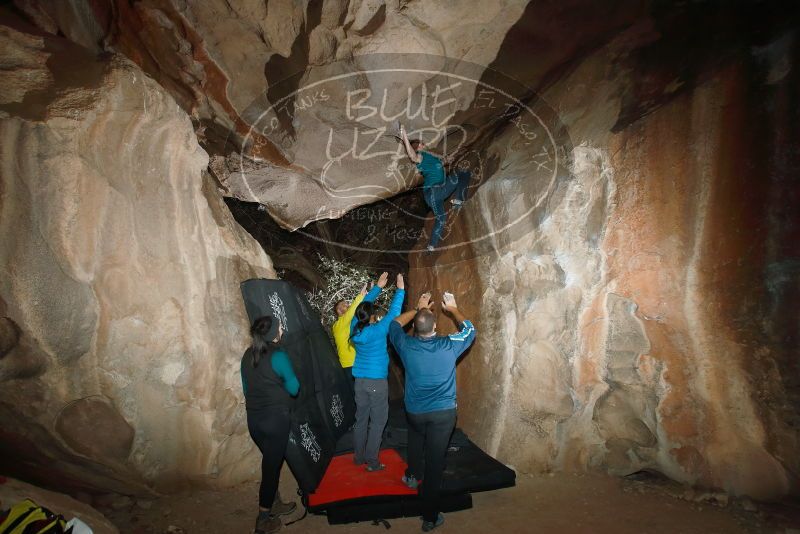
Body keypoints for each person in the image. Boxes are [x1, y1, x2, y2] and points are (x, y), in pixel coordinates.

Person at [388, 291, 476, 532]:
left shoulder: (405, 345)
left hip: (415, 412)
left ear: (415, 328)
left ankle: (411, 475)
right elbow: (470, 330)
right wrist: (454, 308)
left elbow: (394, 324)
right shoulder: (449, 345)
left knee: (415, 438)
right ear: (435, 326)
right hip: (442, 415)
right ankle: (429, 516)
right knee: (435, 463)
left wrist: (417, 309)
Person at [241, 316, 300, 534]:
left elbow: (246, 388)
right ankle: (263, 518)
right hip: (275, 420)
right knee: (270, 468)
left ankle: (275, 503)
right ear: (274, 332)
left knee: (271, 462)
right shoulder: (279, 356)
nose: (282, 328)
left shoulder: (247, 355)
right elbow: (294, 388)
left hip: (255, 421)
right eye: (280, 326)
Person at [350, 272, 406, 471]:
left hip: (359, 382)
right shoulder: (378, 330)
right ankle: (372, 461)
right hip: (376, 383)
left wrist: (377, 289)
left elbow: (360, 308)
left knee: (361, 419)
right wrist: (400, 289)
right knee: (378, 421)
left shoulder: (354, 329)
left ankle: (358, 457)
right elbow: (394, 313)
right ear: (372, 315)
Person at [399, 124, 472, 253]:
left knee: (441, 218)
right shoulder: (420, 156)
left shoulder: (430, 157)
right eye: (421, 143)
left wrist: (451, 157)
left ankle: (431, 246)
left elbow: (442, 162)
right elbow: (412, 156)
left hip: (439, 192)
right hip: (433, 192)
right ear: (418, 147)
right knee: (463, 173)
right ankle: (459, 200)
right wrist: (404, 134)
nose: (424, 144)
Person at [331, 282, 374, 385]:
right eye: (344, 305)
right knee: (358, 395)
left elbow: (360, 309)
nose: (348, 305)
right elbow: (354, 309)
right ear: (339, 310)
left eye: (347, 304)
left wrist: (369, 293)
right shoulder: (338, 325)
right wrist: (362, 294)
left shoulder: (349, 323)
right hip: (349, 365)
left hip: (357, 362)